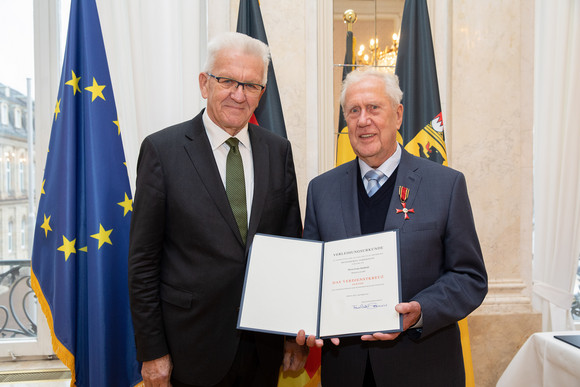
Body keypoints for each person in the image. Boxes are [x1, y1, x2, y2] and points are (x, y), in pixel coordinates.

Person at [128, 32, 305, 387]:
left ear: (262, 93)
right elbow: (143, 262)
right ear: (204, 83)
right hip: (188, 349)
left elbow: (291, 250)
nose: (238, 95)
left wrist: (291, 335)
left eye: (251, 85)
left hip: (262, 347)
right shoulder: (163, 151)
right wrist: (152, 351)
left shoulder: (278, 151)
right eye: (227, 81)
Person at [296, 68, 488, 386]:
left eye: (374, 108)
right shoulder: (321, 190)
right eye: (353, 110)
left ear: (397, 115)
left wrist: (422, 309)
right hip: (346, 370)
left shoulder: (446, 184)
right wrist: (303, 319)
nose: (363, 120)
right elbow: (311, 277)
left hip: (423, 368)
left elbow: (470, 278)